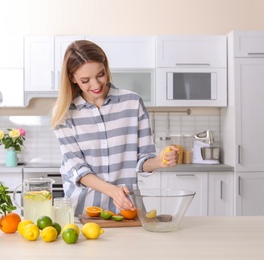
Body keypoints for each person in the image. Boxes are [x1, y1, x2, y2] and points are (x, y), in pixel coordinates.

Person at [51, 40, 178, 216]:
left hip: (126, 210)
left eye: (101, 75)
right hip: (82, 212)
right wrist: (113, 191)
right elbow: (78, 170)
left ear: (106, 67)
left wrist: (158, 161)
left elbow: (143, 160)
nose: (96, 85)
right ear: (72, 78)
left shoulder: (132, 103)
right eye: (85, 80)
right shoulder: (64, 113)